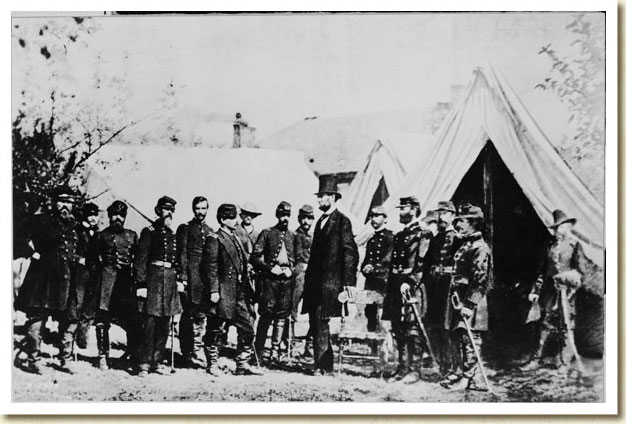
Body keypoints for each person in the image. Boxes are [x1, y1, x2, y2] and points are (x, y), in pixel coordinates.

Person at [14, 186, 81, 374]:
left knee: (70, 318)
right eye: (62, 201)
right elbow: (15, 236)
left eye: (69, 202)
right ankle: (33, 359)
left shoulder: (75, 226)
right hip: (44, 277)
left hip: (67, 278)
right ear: (53, 202)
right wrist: (31, 253)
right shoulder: (40, 220)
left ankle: (64, 359)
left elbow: (84, 250)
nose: (66, 206)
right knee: (37, 317)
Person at [302, 175, 359, 376]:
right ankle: (324, 364)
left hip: (330, 284)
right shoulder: (319, 222)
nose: (319, 200)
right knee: (316, 324)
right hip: (315, 284)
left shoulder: (342, 221)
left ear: (333, 198)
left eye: (323, 196)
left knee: (321, 323)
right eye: (319, 196)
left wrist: (349, 282)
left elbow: (350, 251)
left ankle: (322, 366)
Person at [201, 204, 263, 376]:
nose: (237, 220)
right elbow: (210, 267)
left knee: (248, 327)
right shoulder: (215, 238)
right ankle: (212, 364)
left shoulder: (235, 237)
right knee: (216, 330)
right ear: (223, 219)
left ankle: (242, 364)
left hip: (239, 293)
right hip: (222, 292)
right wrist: (214, 290)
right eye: (233, 217)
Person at [521, 209, 587, 372]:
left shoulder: (575, 245)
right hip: (550, 291)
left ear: (569, 227)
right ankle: (537, 359)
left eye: (562, 227)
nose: (558, 231)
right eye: (557, 228)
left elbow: (581, 271)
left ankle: (563, 362)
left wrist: (568, 279)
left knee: (566, 324)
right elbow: (542, 271)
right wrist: (535, 291)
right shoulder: (549, 246)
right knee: (544, 323)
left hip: (567, 292)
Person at [440, 204, 492, 391]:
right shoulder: (465, 244)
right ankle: (460, 371)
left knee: (470, 339)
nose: (458, 224)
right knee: (457, 336)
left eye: (462, 220)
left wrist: (470, 304)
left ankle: (469, 378)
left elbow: (480, 279)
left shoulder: (480, 247)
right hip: (457, 297)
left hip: (471, 299)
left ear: (472, 223)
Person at [382, 196, 433, 384]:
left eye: (403, 208)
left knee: (413, 330)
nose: (400, 212)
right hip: (397, 286)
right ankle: (401, 368)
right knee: (399, 328)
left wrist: (410, 281)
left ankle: (415, 370)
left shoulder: (423, 234)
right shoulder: (400, 235)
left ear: (414, 210)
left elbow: (421, 263)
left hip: (413, 288)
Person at [134, 196, 183, 377]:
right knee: (150, 324)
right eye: (165, 209)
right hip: (153, 282)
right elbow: (140, 260)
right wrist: (141, 284)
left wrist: (180, 280)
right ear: (157, 211)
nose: (168, 213)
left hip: (169, 282)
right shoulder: (149, 232)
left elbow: (177, 261)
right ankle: (144, 364)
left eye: (171, 210)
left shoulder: (173, 235)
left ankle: (157, 361)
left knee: (164, 323)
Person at [94, 200, 140, 371]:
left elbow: (138, 260)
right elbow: (93, 259)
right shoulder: (101, 236)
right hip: (106, 281)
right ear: (109, 216)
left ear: (125, 217)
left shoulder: (132, 235)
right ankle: (103, 356)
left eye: (121, 215)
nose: (117, 218)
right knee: (102, 319)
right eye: (114, 214)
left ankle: (132, 354)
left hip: (125, 283)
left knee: (133, 319)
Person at [251, 201, 296, 365]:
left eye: (288, 215)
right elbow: (255, 257)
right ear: (277, 215)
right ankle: (258, 352)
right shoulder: (267, 233)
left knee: (282, 318)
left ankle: (275, 354)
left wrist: (292, 270)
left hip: (287, 283)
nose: (285, 218)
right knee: (266, 316)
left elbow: (301, 261)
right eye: (283, 215)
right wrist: (270, 269)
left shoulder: (293, 236)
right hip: (270, 282)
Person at [422, 201, 461, 376]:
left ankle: (453, 365)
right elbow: (428, 262)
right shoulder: (436, 238)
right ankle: (440, 363)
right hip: (435, 286)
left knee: (447, 327)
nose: (441, 217)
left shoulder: (457, 238)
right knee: (435, 325)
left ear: (453, 215)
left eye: (445, 213)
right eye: (439, 213)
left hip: (449, 286)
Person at [176, 196, 214, 368]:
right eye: (198, 208)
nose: (200, 212)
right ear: (193, 209)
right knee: (187, 315)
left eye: (204, 208)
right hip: (191, 277)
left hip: (204, 279)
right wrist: (183, 277)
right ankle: (186, 352)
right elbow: (182, 254)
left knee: (201, 316)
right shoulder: (185, 228)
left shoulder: (210, 230)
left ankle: (197, 349)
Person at [283, 204, 315, 356]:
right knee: (292, 310)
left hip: (313, 275)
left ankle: (310, 345)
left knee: (314, 311)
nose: (306, 221)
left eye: (309, 218)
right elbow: (291, 257)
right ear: (299, 219)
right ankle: (289, 345)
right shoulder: (293, 235)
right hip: (298, 276)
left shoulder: (316, 235)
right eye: (303, 218)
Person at [360, 206, 394, 332]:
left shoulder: (390, 238)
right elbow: (365, 262)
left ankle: (384, 346)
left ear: (385, 219)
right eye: (371, 216)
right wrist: (365, 268)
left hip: (383, 283)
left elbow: (387, 260)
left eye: (376, 216)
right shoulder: (371, 240)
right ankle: (372, 343)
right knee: (370, 312)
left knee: (383, 314)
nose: (373, 219)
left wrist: (373, 269)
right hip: (371, 283)